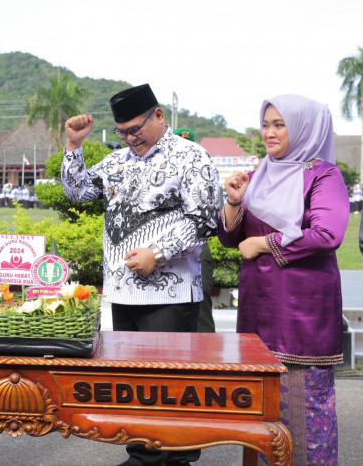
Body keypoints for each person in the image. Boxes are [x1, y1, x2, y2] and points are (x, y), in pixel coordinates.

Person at [61, 84, 219, 466]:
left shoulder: (190, 157)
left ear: (159, 116)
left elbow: (206, 218)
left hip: (171, 293)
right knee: (135, 385)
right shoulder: (118, 161)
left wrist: (158, 253)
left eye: (136, 129)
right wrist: (73, 147)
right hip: (123, 293)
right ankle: (143, 451)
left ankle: (169, 457)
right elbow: (78, 192)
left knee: (170, 386)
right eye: (123, 132)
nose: (131, 139)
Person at [218, 94, 347, 465]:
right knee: (260, 405)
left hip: (302, 311)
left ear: (303, 128)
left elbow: (327, 234)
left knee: (305, 403)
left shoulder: (322, 174)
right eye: (266, 124)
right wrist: (233, 202)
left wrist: (264, 243)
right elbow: (231, 238)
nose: (269, 133)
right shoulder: (260, 174)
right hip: (259, 305)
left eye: (279, 125)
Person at [172, 127, 216, 333]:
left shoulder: (204, 174)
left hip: (197, 248)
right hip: (163, 253)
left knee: (201, 310)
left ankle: (207, 363)